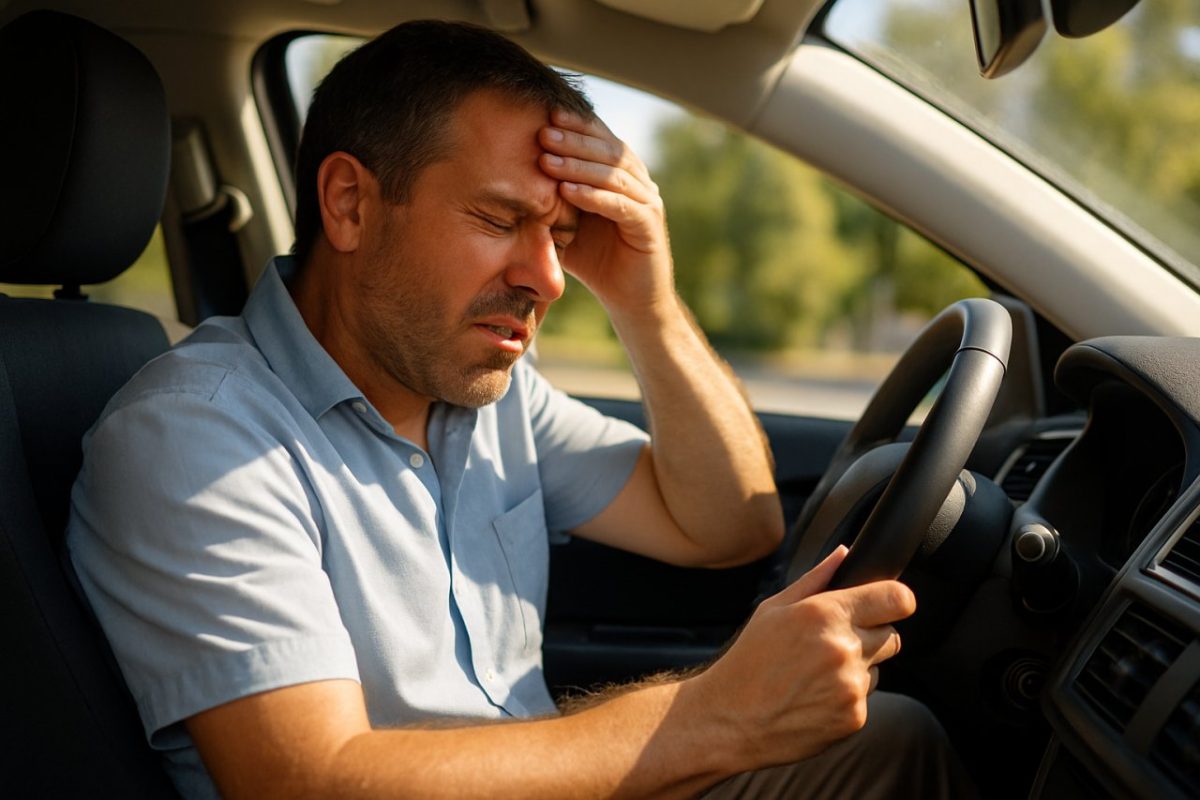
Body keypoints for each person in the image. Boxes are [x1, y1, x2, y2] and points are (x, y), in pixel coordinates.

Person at [67, 19, 974, 799]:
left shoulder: (486, 394)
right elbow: (312, 781)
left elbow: (727, 527)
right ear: (348, 204)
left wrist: (646, 303)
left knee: (897, 739)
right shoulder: (195, 434)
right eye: (501, 221)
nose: (547, 278)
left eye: (564, 236)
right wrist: (712, 718)